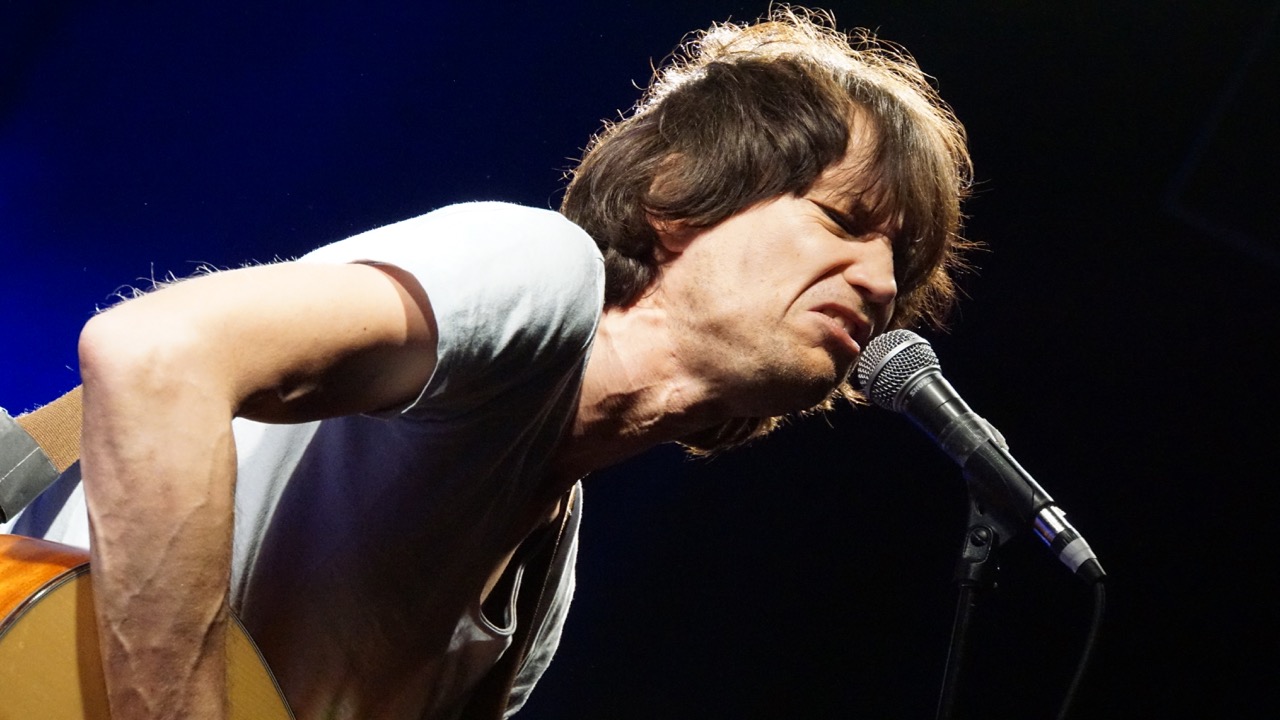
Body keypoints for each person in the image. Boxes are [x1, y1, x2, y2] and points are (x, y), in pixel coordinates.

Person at [1, 6, 972, 719]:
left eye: (902, 262)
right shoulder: (540, 272)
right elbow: (151, 352)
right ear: (677, 195)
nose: (881, 281)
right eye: (844, 221)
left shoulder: (541, 589)